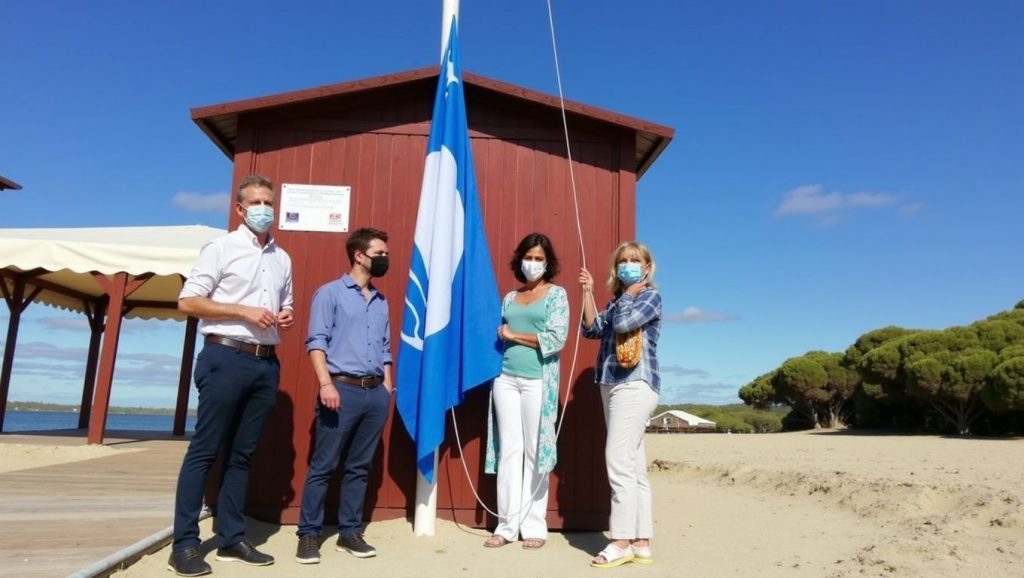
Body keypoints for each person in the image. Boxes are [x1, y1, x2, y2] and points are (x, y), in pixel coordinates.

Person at [169, 175, 294, 577]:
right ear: (240, 209)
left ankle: (231, 538)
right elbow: (187, 301)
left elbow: (284, 303)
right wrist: (242, 311)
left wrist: (285, 315)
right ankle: (184, 545)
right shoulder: (220, 248)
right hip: (225, 356)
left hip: (265, 362)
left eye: (268, 202)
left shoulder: (282, 258)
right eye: (255, 201)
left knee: (242, 455)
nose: (263, 208)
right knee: (205, 450)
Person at [294, 227, 394, 564]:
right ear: (359, 255)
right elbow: (316, 341)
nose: (385, 258)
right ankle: (308, 535)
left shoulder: (381, 301)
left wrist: (386, 388)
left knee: (359, 466)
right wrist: (326, 384)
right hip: (340, 390)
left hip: (374, 394)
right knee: (323, 465)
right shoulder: (330, 294)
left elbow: (384, 349)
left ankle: (350, 532)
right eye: (379, 253)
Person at [483, 232, 569, 550]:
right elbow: (497, 334)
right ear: (520, 260)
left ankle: (534, 525)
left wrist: (514, 334)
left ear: (548, 263)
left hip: (538, 381)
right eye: (528, 257)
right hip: (505, 379)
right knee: (509, 450)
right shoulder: (510, 297)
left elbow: (556, 338)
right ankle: (506, 525)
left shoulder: (557, 295)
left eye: (538, 258)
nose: (532, 263)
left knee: (536, 452)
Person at [579, 241, 662, 568]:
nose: (629, 264)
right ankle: (642, 540)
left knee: (617, 459)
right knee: (634, 464)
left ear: (646, 267)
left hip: (635, 382)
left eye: (635, 260)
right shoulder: (618, 301)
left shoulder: (648, 296)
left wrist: (626, 297)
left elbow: (626, 325)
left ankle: (621, 540)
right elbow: (592, 329)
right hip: (611, 383)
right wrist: (587, 292)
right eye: (623, 260)